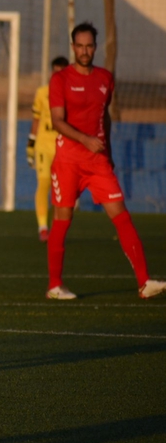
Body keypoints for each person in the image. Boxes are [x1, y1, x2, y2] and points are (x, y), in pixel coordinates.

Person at [46, 21, 165, 300]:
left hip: (98, 162)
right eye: (80, 46)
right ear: (73, 47)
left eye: (89, 46)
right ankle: (55, 285)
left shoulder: (105, 78)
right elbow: (57, 121)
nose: (85, 51)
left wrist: (106, 152)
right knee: (63, 220)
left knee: (122, 216)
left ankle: (144, 282)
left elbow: (105, 116)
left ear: (95, 48)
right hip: (68, 162)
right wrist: (85, 139)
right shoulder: (60, 80)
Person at [27, 55, 70, 242]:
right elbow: (36, 120)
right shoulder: (42, 92)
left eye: (61, 72)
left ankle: (57, 229)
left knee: (61, 191)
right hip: (44, 147)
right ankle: (43, 228)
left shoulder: (72, 94)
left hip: (63, 148)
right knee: (44, 184)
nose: (57, 75)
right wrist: (31, 145)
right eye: (55, 71)